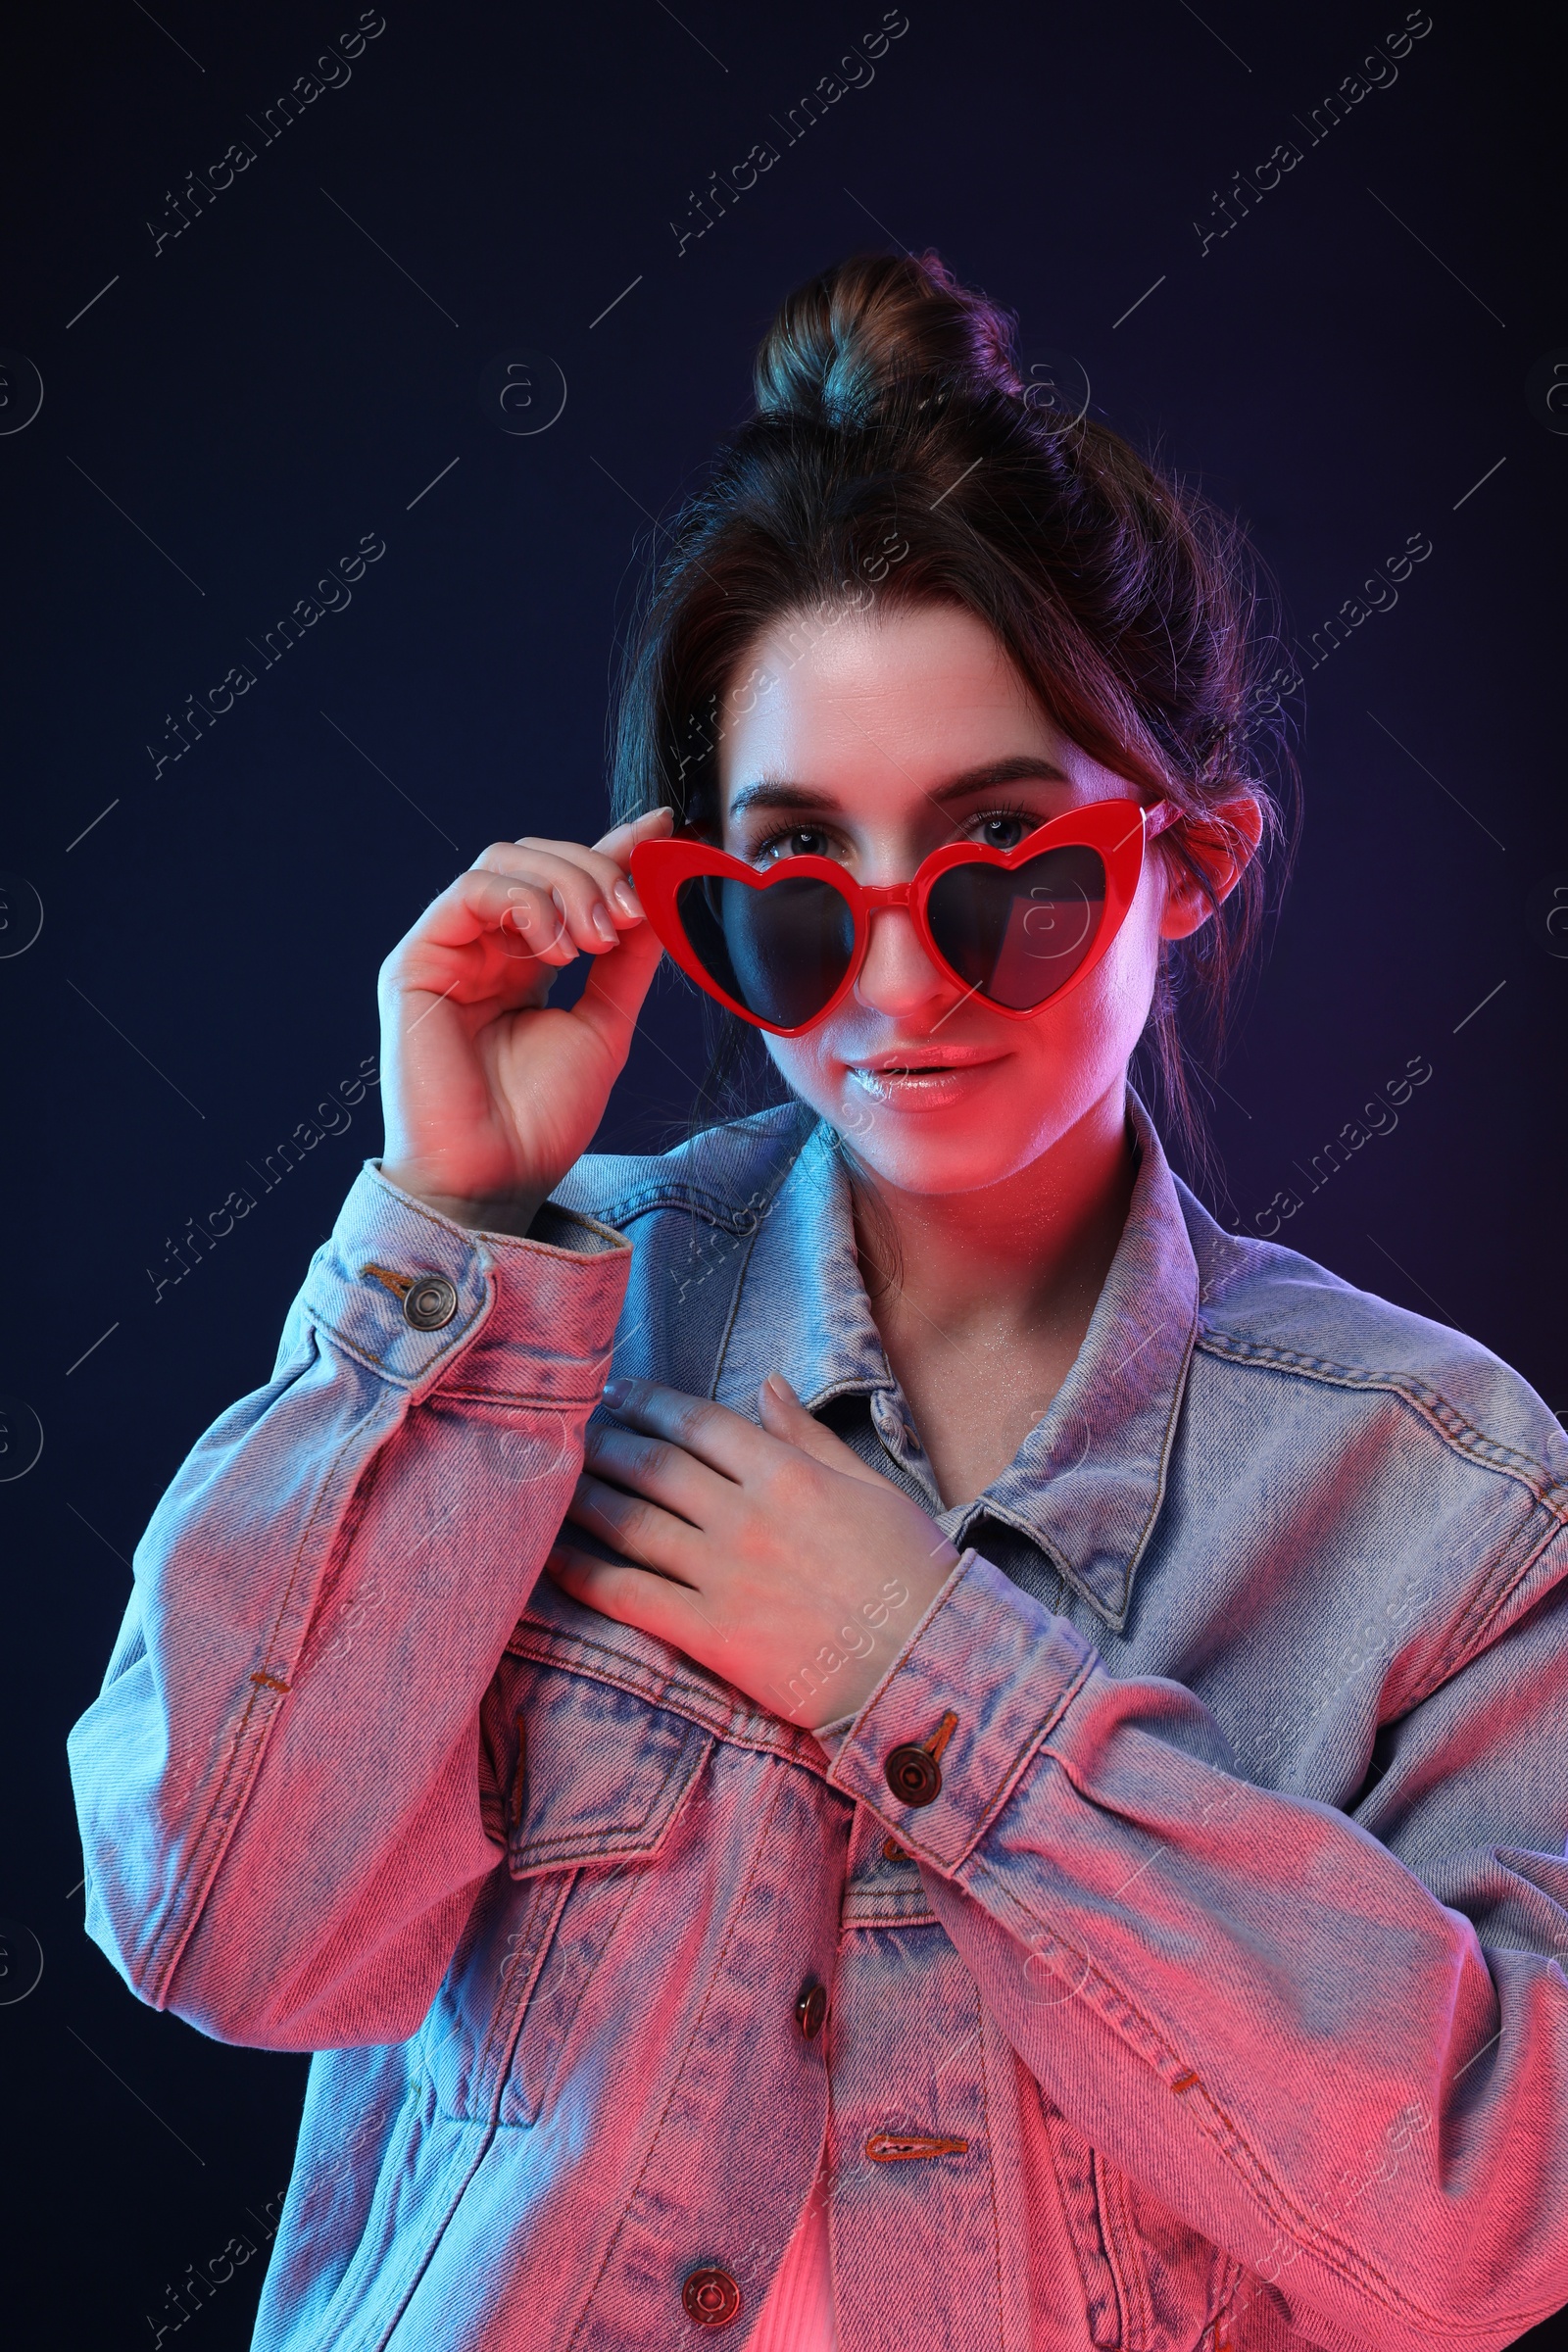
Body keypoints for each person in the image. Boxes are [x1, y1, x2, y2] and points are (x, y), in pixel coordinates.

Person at [69, 252, 1568, 2352]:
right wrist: (444, 1237)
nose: (890, 983)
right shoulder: (523, 1338)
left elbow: (1493, 2219)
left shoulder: (1436, 1506)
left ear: (1188, 867)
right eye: (792, 885)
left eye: (998, 866)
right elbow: (225, 1933)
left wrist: (924, 1671)